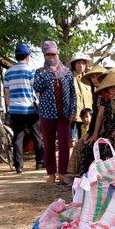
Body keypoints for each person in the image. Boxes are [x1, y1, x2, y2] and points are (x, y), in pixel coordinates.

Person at [33, 40, 77, 184]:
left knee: (65, 144)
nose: (51, 58)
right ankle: (51, 173)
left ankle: (63, 173)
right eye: (48, 55)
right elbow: (37, 87)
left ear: (57, 54)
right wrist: (48, 74)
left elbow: (72, 93)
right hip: (47, 114)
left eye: (53, 54)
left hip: (64, 114)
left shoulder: (66, 72)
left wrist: (72, 111)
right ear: (44, 56)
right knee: (49, 144)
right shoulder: (40, 72)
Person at [80, 68, 115, 175]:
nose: (113, 90)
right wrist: (94, 134)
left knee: (109, 147)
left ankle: (111, 178)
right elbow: (99, 116)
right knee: (89, 146)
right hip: (112, 130)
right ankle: (87, 178)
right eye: (110, 88)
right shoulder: (112, 100)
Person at [3, 44, 44, 174]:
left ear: (16, 57)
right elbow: (37, 90)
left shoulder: (8, 72)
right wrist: (41, 103)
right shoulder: (31, 71)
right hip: (30, 109)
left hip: (15, 110)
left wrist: (10, 108)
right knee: (36, 135)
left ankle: (19, 166)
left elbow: (7, 93)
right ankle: (39, 162)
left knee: (18, 138)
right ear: (27, 57)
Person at [69, 52, 93, 149]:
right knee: (73, 142)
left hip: (88, 116)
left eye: (83, 63)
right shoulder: (69, 78)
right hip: (75, 116)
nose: (81, 66)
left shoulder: (89, 79)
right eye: (78, 63)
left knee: (87, 141)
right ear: (74, 65)